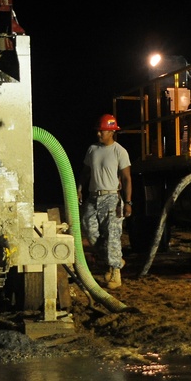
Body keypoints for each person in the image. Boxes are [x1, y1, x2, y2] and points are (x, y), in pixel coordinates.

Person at [78, 114, 132, 288]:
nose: (99, 134)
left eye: (102, 131)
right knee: (89, 229)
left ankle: (115, 272)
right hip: (93, 197)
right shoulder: (92, 149)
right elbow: (86, 172)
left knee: (113, 236)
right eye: (98, 131)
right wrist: (79, 189)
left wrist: (128, 202)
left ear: (111, 131)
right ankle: (116, 260)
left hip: (112, 197)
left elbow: (126, 178)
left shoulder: (119, 151)